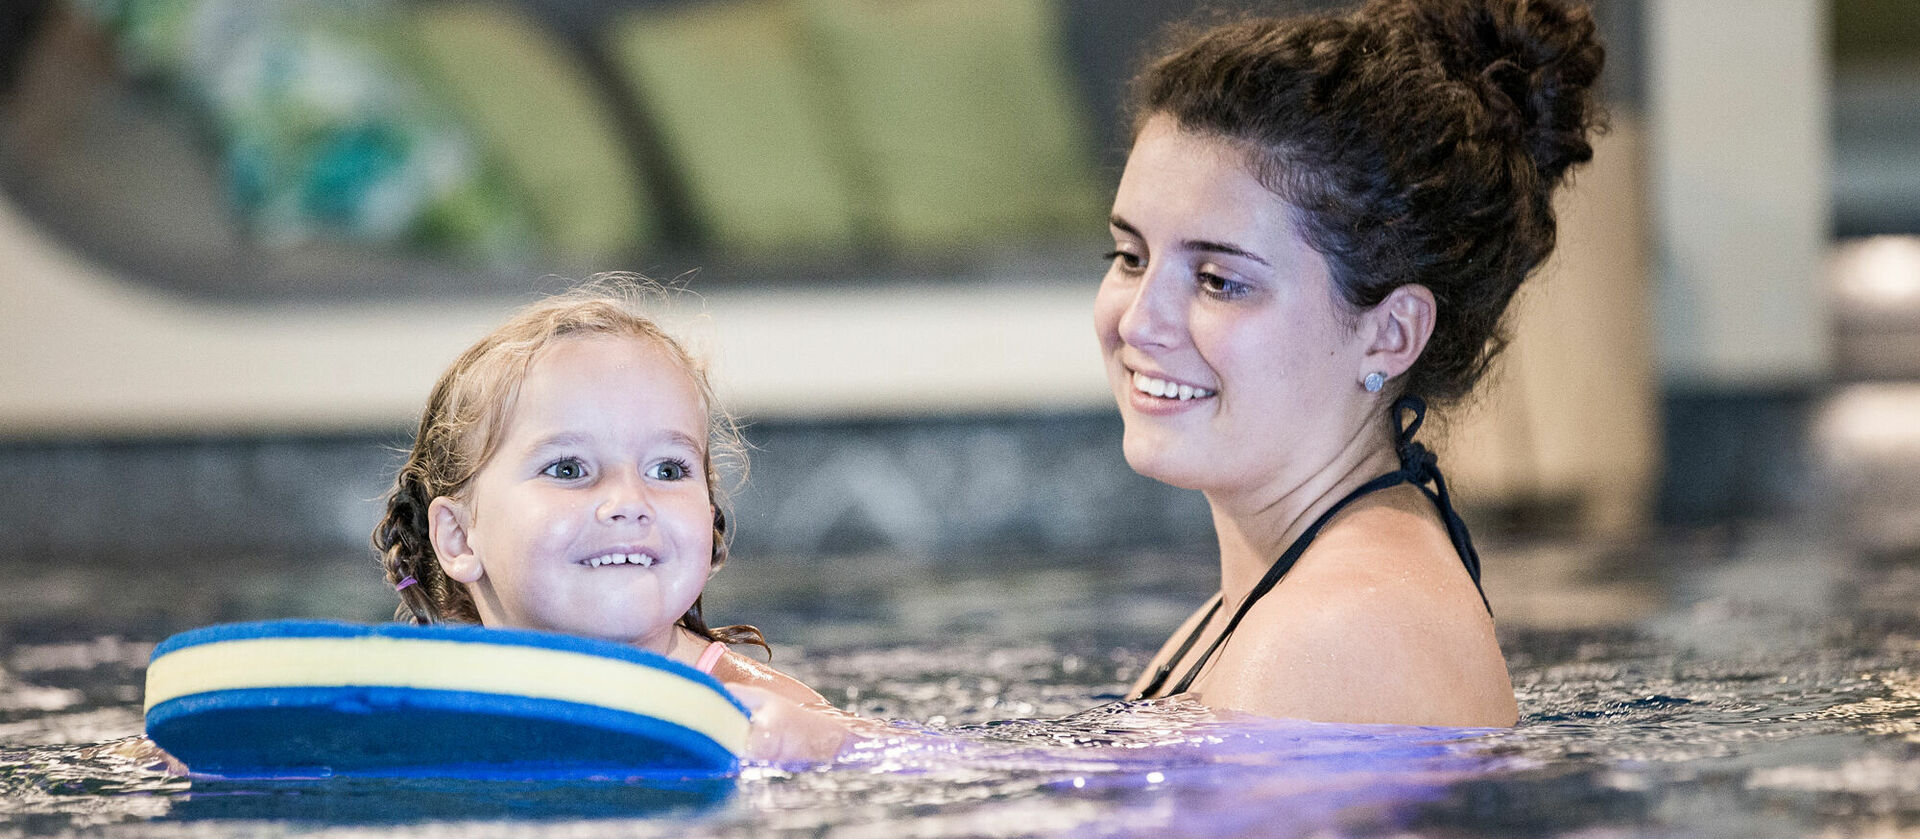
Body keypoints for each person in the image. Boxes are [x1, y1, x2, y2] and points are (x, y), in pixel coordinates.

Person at [1096, 0, 1604, 726]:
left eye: (1218, 281)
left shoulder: (1336, 632)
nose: (1138, 321)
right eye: (1130, 256)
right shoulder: (1279, 599)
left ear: (1391, 333)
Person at [371, 279, 855, 760]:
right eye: (569, 469)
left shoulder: (761, 715)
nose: (629, 500)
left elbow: (897, 756)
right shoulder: (416, 710)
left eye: (668, 470)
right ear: (459, 537)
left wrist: (826, 743)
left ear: (709, 519)